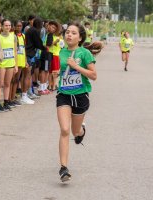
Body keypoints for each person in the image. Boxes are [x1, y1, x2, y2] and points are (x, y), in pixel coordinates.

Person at [56, 22, 97, 182]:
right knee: (65, 130)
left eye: (73, 33)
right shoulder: (61, 52)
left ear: (80, 37)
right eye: (67, 32)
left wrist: (76, 66)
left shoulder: (85, 53)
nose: (69, 35)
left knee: (74, 131)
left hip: (81, 96)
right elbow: (62, 72)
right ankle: (63, 168)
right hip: (64, 94)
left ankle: (81, 131)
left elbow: (93, 75)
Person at [0, 19, 18, 111]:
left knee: (7, 84)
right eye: (6, 25)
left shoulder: (14, 37)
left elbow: (15, 51)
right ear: (2, 26)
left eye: (9, 25)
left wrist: (16, 65)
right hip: (1, 64)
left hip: (11, 63)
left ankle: (6, 102)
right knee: (0, 84)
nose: (8, 27)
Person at [24, 17, 46, 104]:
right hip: (29, 54)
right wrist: (44, 48)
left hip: (29, 53)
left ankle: (28, 93)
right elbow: (38, 43)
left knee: (29, 75)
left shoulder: (31, 30)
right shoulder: (35, 31)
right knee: (27, 75)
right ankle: (25, 95)